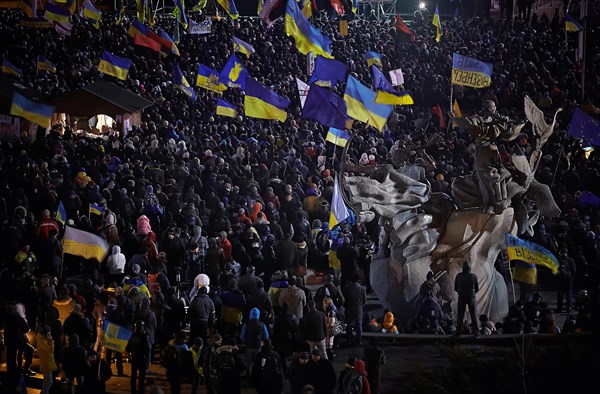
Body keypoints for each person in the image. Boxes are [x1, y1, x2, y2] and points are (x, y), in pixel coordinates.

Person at [451, 100, 524, 214]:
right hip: (488, 149)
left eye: (492, 108)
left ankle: (491, 202)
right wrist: (455, 118)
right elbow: (468, 123)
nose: (491, 110)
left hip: (487, 150)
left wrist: (516, 124)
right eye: (491, 108)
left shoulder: (495, 121)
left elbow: (508, 133)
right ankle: (493, 201)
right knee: (489, 175)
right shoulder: (483, 120)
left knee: (487, 175)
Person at [240, 307, 270, 379]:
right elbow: (266, 336)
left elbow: (242, 336)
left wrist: (245, 342)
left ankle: (249, 379)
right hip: (258, 346)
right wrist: (262, 342)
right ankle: (257, 378)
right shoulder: (262, 324)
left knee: (249, 364)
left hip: (249, 346)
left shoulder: (246, 324)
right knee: (258, 363)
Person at [454, 261, 480, 337]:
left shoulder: (458, 276)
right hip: (471, 297)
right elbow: (477, 288)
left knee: (460, 315)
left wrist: (461, 293)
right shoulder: (473, 276)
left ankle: (458, 332)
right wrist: (472, 294)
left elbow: (455, 287)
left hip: (461, 297)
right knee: (473, 315)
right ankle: (476, 333)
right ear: (469, 268)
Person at [127, 320, 151, 394]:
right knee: (141, 377)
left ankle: (133, 390)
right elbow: (148, 349)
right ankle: (141, 390)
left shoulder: (132, 335)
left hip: (134, 358)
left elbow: (127, 348)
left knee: (133, 375)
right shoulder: (144, 336)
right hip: (141, 359)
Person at [342, 273, 367, 345]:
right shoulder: (362, 288)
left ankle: (349, 340)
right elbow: (364, 301)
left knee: (349, 325)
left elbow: (344, 299)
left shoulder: (347, 288)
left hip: (349, 308)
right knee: (359, 325)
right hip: (358, 309)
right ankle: (359, 340)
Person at [37, 325, 57, 394]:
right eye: (49, 334)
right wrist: (51, 341)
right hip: (46, 364)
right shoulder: (42, 342)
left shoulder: (43, 341)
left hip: (47, 363)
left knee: (47, 381)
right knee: (48, 381)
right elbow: (50, 350)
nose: (50, 335)